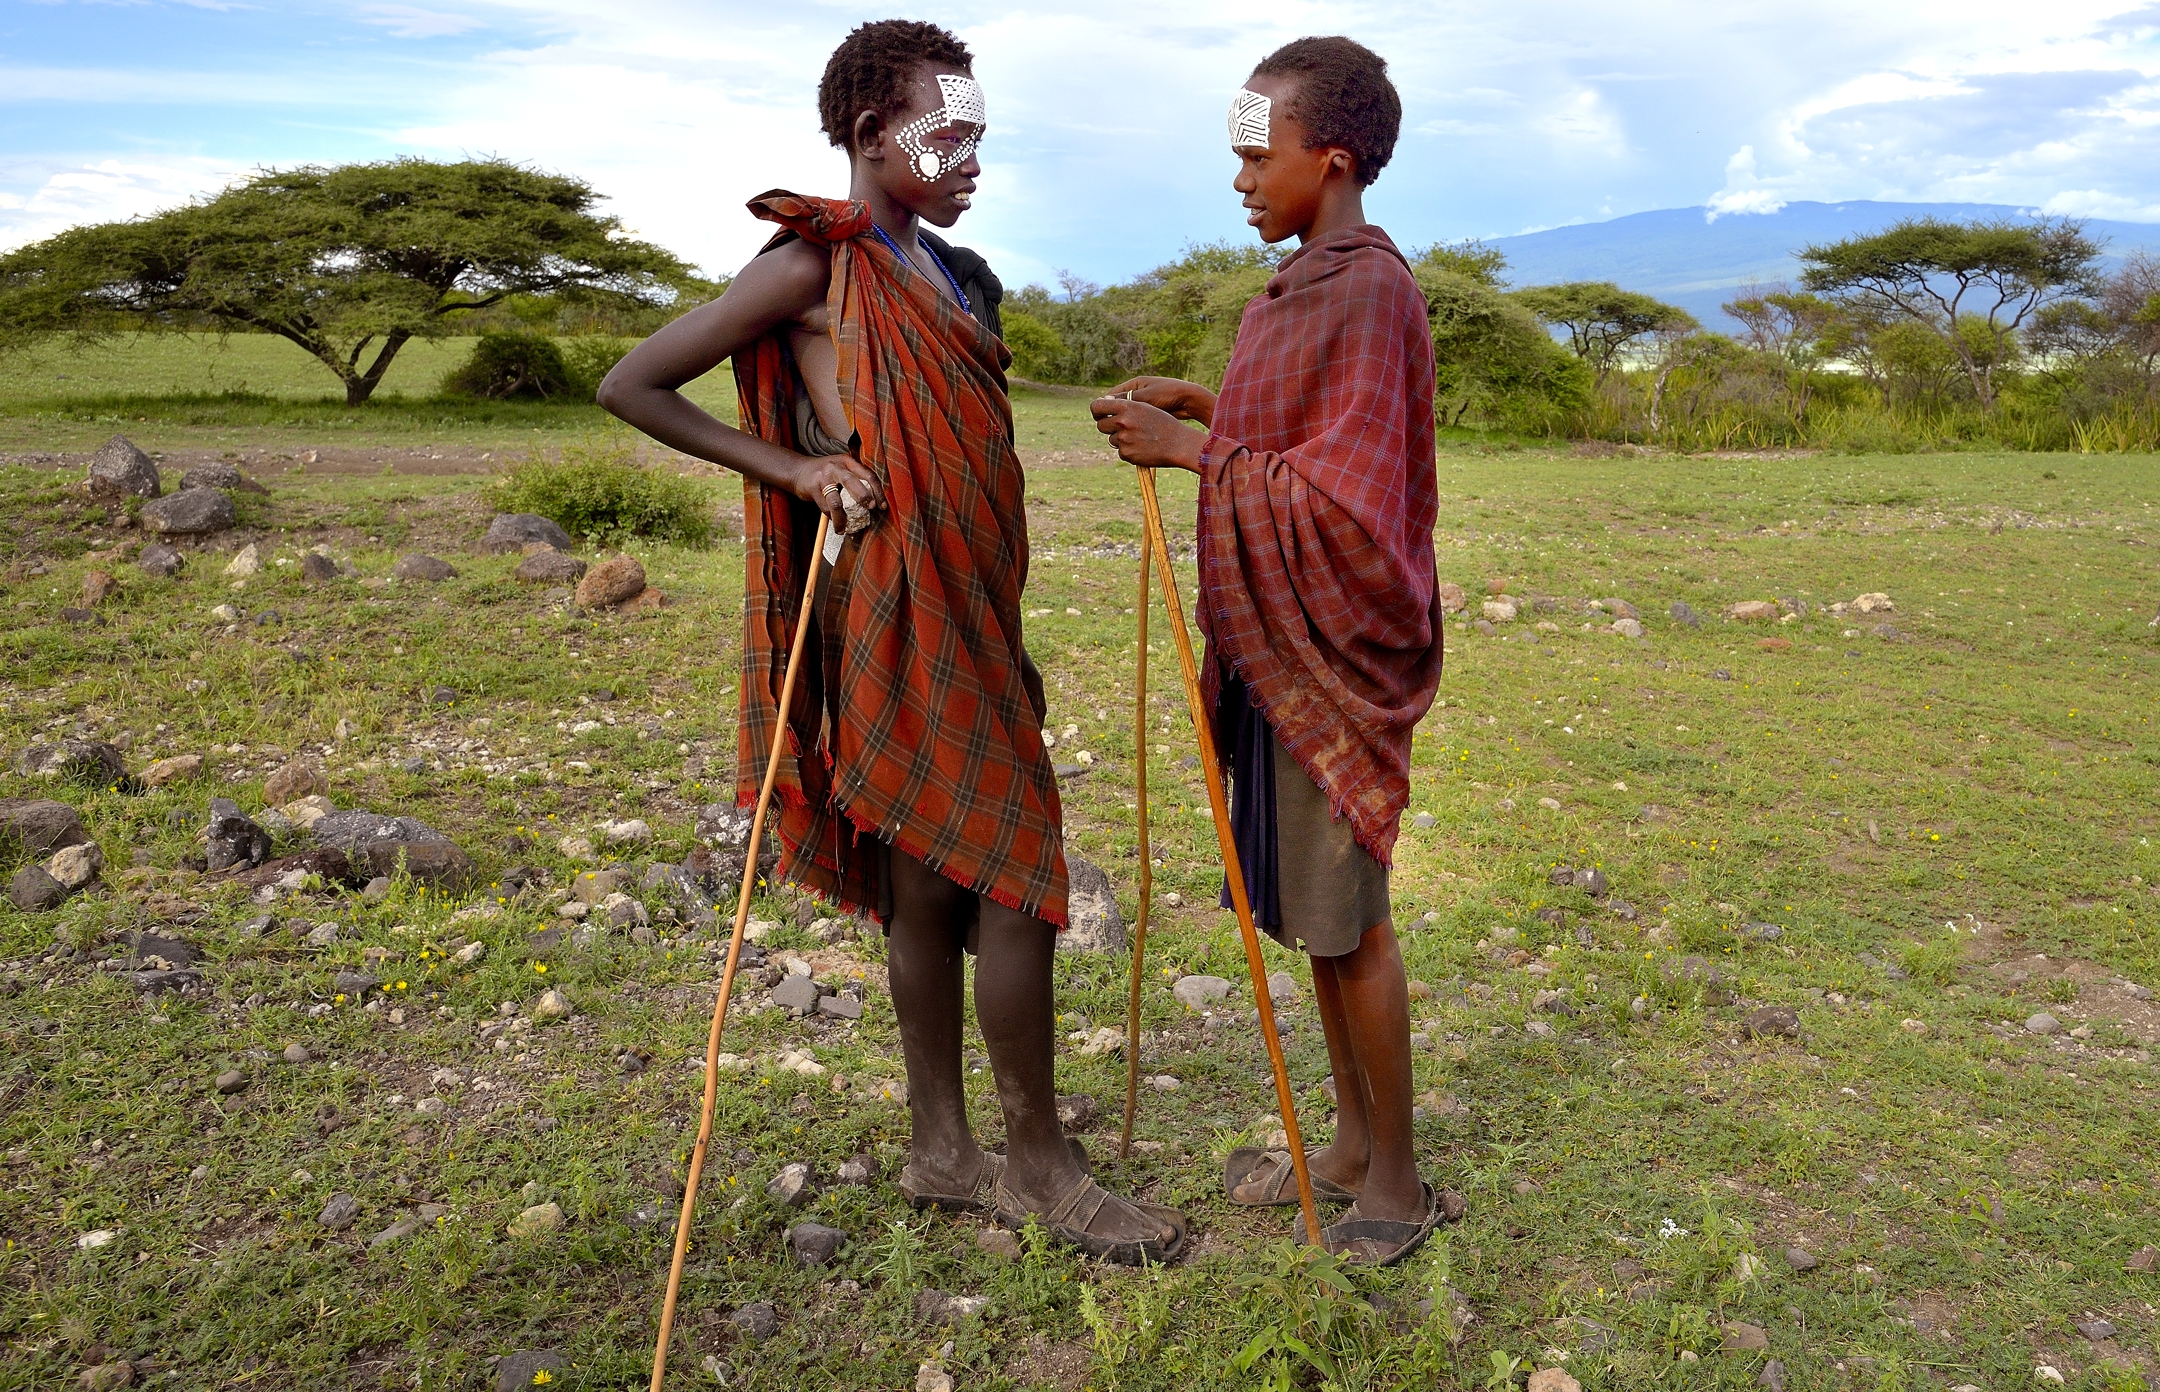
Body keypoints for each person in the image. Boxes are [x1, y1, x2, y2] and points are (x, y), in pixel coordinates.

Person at [598, 19, 1182, 1264]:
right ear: (871, 136)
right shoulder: (814, 265)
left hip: (973, 602)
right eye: (945, 134)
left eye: (979, 135)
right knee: (1017, 878)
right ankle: (1037, 1169)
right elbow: (635, 383)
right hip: (892, 602)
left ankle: (940, 1153)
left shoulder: (954, 275)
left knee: (928, 873)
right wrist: (799, 468)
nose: (970, 157)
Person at [1090, 35, 1449, 1266]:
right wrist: (1213, 407)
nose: (1241, 180)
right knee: (1309, 913)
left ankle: (1394, 1182)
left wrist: (1199, 457)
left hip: (1331, 650)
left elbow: (1349, 502)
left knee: (1349, 923)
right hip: (1272, 640)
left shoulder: (1365, 288)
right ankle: (1348, 1140)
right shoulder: (1306, 283)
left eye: (1258, 154)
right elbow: (1295, 442)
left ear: (1331, 158)